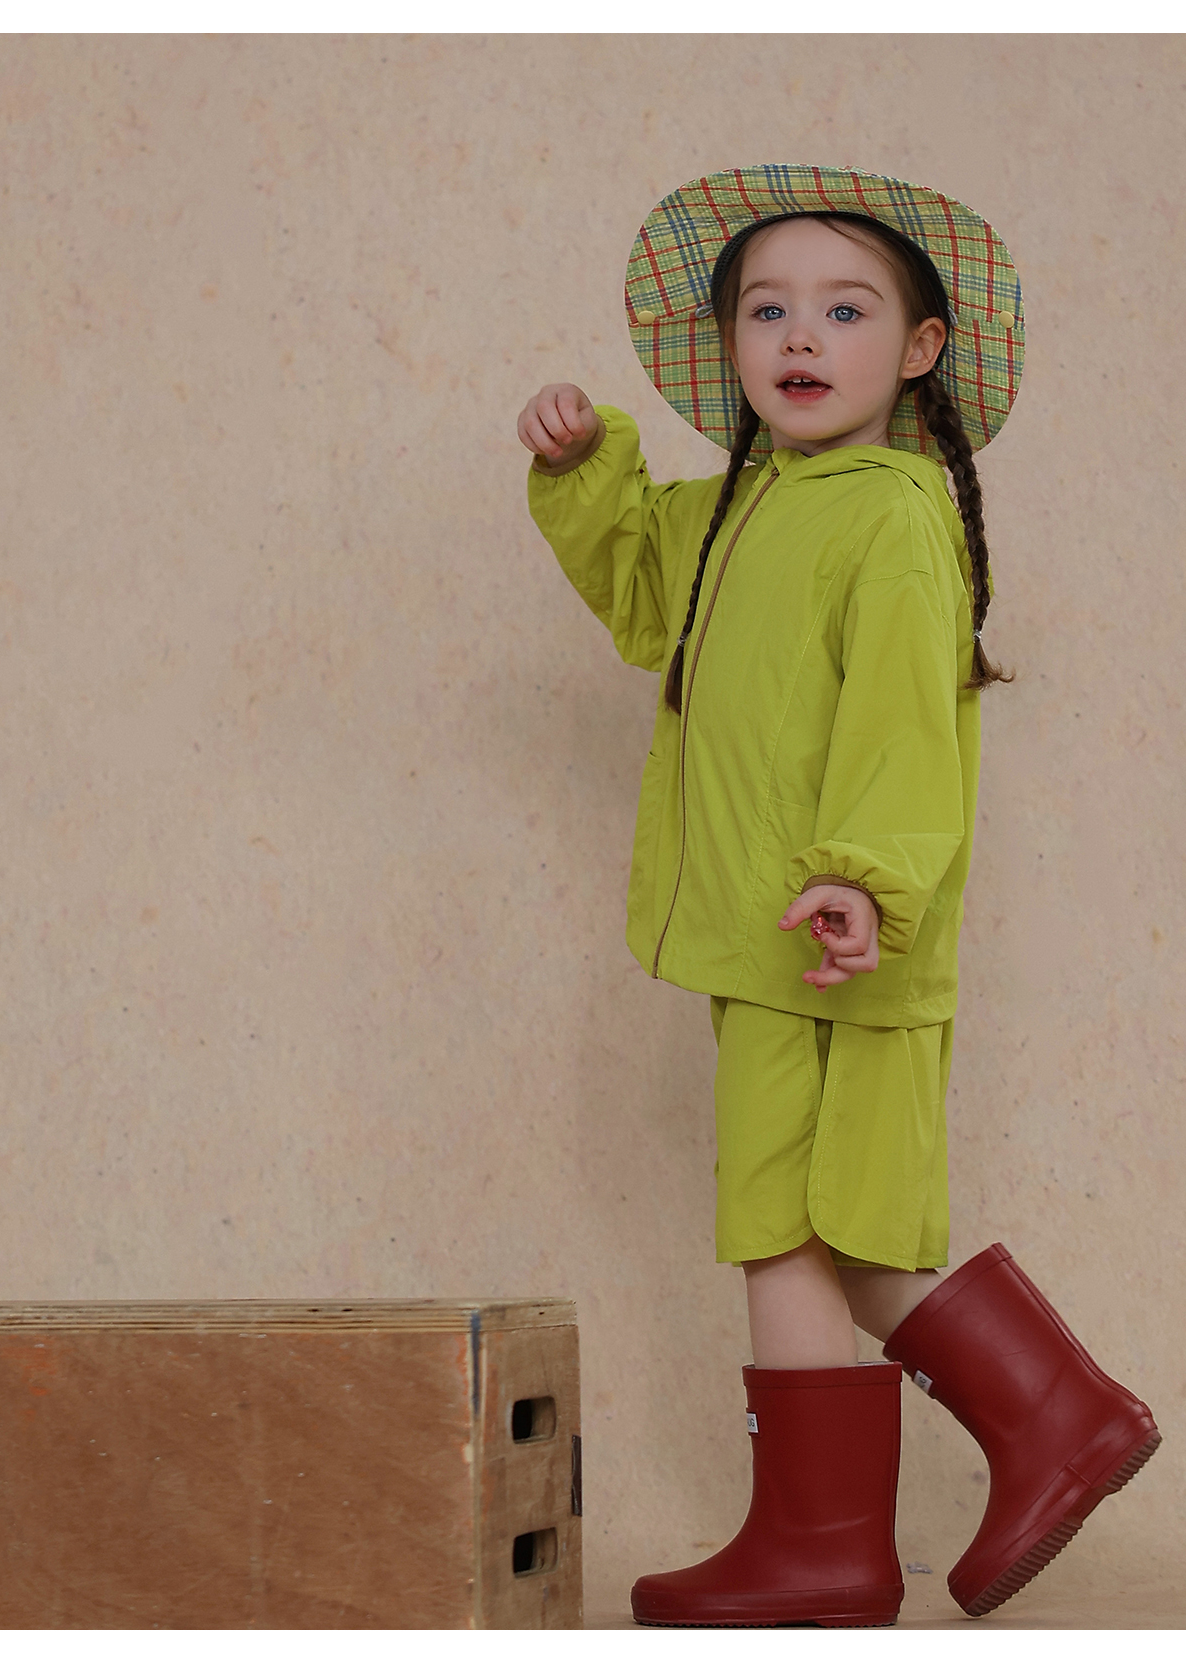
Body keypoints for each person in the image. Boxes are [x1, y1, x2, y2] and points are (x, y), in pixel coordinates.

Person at [518, 165, 1160, 1628]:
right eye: (768, 311)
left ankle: (1054, 1422)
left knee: (844, 1222)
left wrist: (866, 882)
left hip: (843, 937)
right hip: (762, 947)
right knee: (785, 1227)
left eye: (846, 310)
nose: (800, 335)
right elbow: (642, 601)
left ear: (921, 349)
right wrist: (584, 466)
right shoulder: (735, 512)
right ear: (732, 348)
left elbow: (903, 725)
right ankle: (825, 1542)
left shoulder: (895, 515)